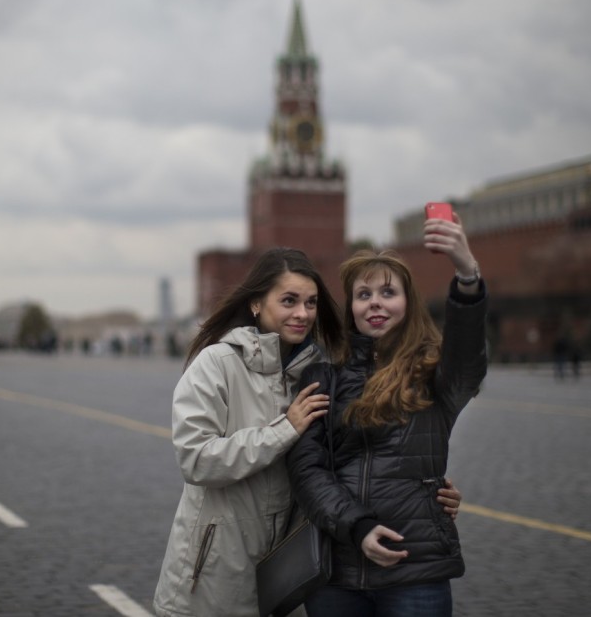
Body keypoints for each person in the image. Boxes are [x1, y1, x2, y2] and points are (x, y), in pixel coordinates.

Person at [152, 248, 464, 617]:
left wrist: (422, 491)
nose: (302, 313)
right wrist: (284, 429)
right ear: (256, 303)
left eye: (311, 302)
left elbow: (339, 462)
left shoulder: (317, 370)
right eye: (289, 301)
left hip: (296, 566)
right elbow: (197, 459)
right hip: (220, 562)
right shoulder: (217, 364)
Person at [287, 213, 487, 617]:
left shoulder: (435, 375)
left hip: (414, 570)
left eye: (388, 292)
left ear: (408, 304)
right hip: (335, 573)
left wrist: (468, 276)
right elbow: (308, 468)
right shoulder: (323, 376)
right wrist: (357, 528)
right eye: (363, 294)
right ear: (352, 309)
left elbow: (467, 360)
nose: (375, 302)